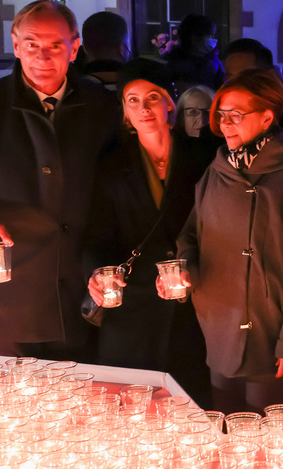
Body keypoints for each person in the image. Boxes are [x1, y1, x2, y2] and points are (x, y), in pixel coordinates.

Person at [0, 0, 121, 360]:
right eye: (32, 44)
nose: (43, 56)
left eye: (55, 45)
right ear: (16, 45)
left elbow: (113, 192)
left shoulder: (102, 106)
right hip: (9, 296)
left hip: (83, 289)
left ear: (75, 47)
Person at [168, 68, 283, 413]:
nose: (225, 124)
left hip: (271, 334)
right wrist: (184, 270)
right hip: (219, 326)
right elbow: (190, 235)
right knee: (229, 434)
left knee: (272, 444)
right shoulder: (217, 169)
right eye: (221, 115)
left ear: (267, 117)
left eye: (236, 115)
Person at [86, 59, 214, 405]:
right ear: (124, 111)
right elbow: (97, 234)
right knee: (131, 408)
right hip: (132, 310)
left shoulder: (203, 156)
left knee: (192, 404)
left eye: (152, 97)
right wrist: (97, 273)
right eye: (132, 100)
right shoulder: (111, 164)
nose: (143, 108)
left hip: (192, 306)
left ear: (170, 103)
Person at [166, 14, 225, 95]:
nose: (213, 39)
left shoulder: (213, 58)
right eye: (209, 35)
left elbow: (222, 83)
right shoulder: (176, 62)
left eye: (213, 35)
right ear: (194, 38)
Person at [80, 11, 130, 91]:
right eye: (128, 43)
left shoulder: (69, 92)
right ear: (122, 47)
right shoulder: (141, 91)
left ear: (84, 47)